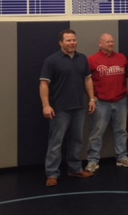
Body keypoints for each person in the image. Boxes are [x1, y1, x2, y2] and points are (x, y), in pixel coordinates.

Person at [39, 29, 96, 187]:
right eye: (68, 40)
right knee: (56, 143)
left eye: (74, 40)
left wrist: (91, 98)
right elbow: (44, 84)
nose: (72, 43)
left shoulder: (82, 58)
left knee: (76, 140)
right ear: (61, 43)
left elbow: (88, 80)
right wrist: (46, 105)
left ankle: (75, 169)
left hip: (79, 107)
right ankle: (51, 173)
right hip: (59, 109)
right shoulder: (52, 60)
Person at [86, 33, 128, 172]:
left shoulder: (122, 58)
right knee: (97, 132)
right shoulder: (92, 60)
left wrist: (125, 92)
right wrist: (92, 97)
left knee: (121, 131)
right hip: (101, 102)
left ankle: (122, 157)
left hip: (120, 101)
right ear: (100, 44)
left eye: (112, 41)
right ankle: (93, 160)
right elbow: (87, 80)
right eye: (107, 42)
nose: (111, 44)